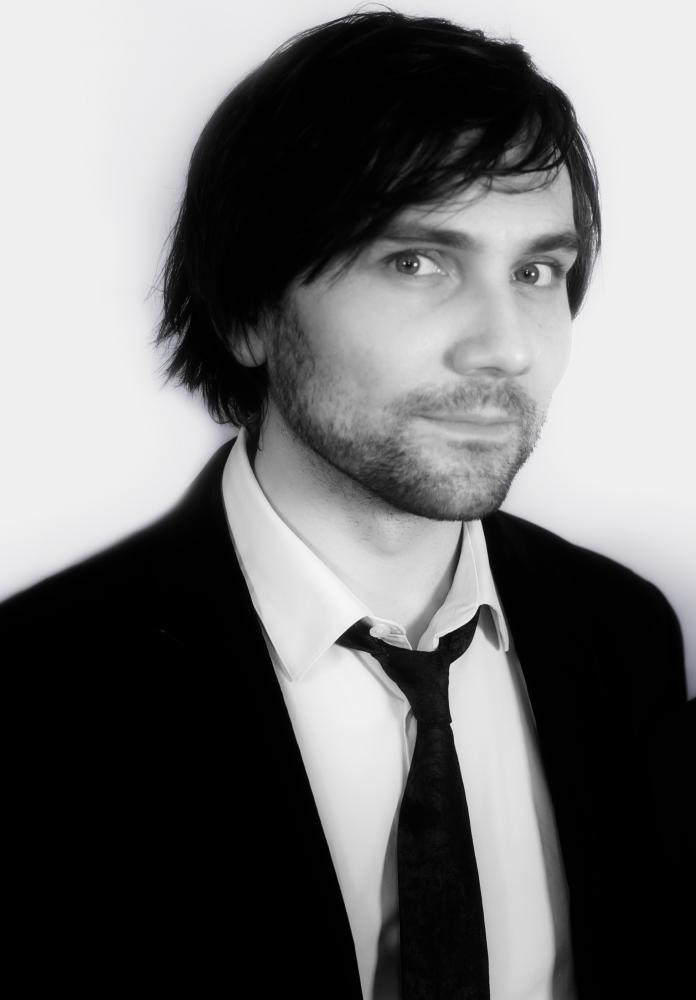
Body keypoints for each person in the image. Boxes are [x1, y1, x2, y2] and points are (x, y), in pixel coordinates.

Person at [2, 10, 691, 1000]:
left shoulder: (626, 635)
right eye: (417, 261)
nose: (506, 347)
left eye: (537, 270)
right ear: (249, 310)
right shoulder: (38, 693)